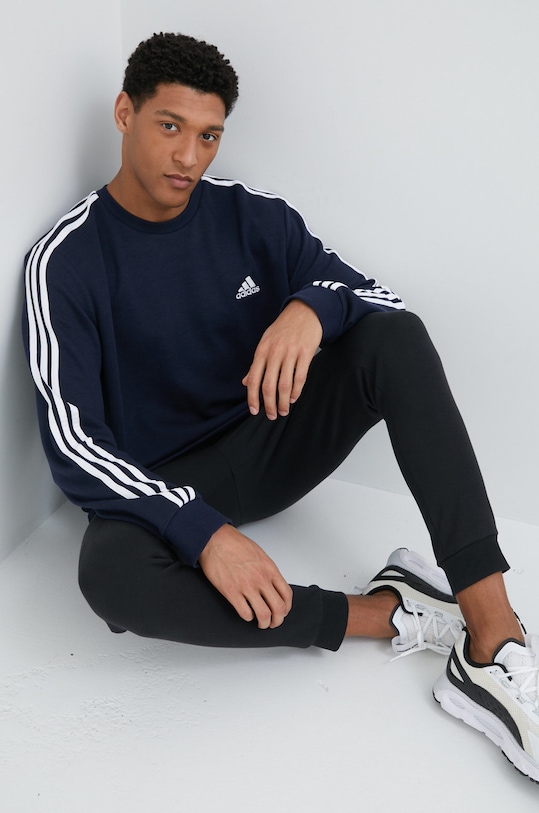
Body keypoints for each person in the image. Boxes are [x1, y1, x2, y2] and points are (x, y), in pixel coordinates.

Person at [23, 32, 539, 782]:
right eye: (169, 126)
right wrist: (201, 531)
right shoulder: (66, 259)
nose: (189, 157)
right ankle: (386, 612)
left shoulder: (249, 216)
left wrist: (309, 309)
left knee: (393, 338)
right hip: (168, 486)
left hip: (271, 438)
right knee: (109, 574)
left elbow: (375, 297)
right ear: (124, 113)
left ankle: (493, 639)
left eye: (208, 136)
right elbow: (73, 441)